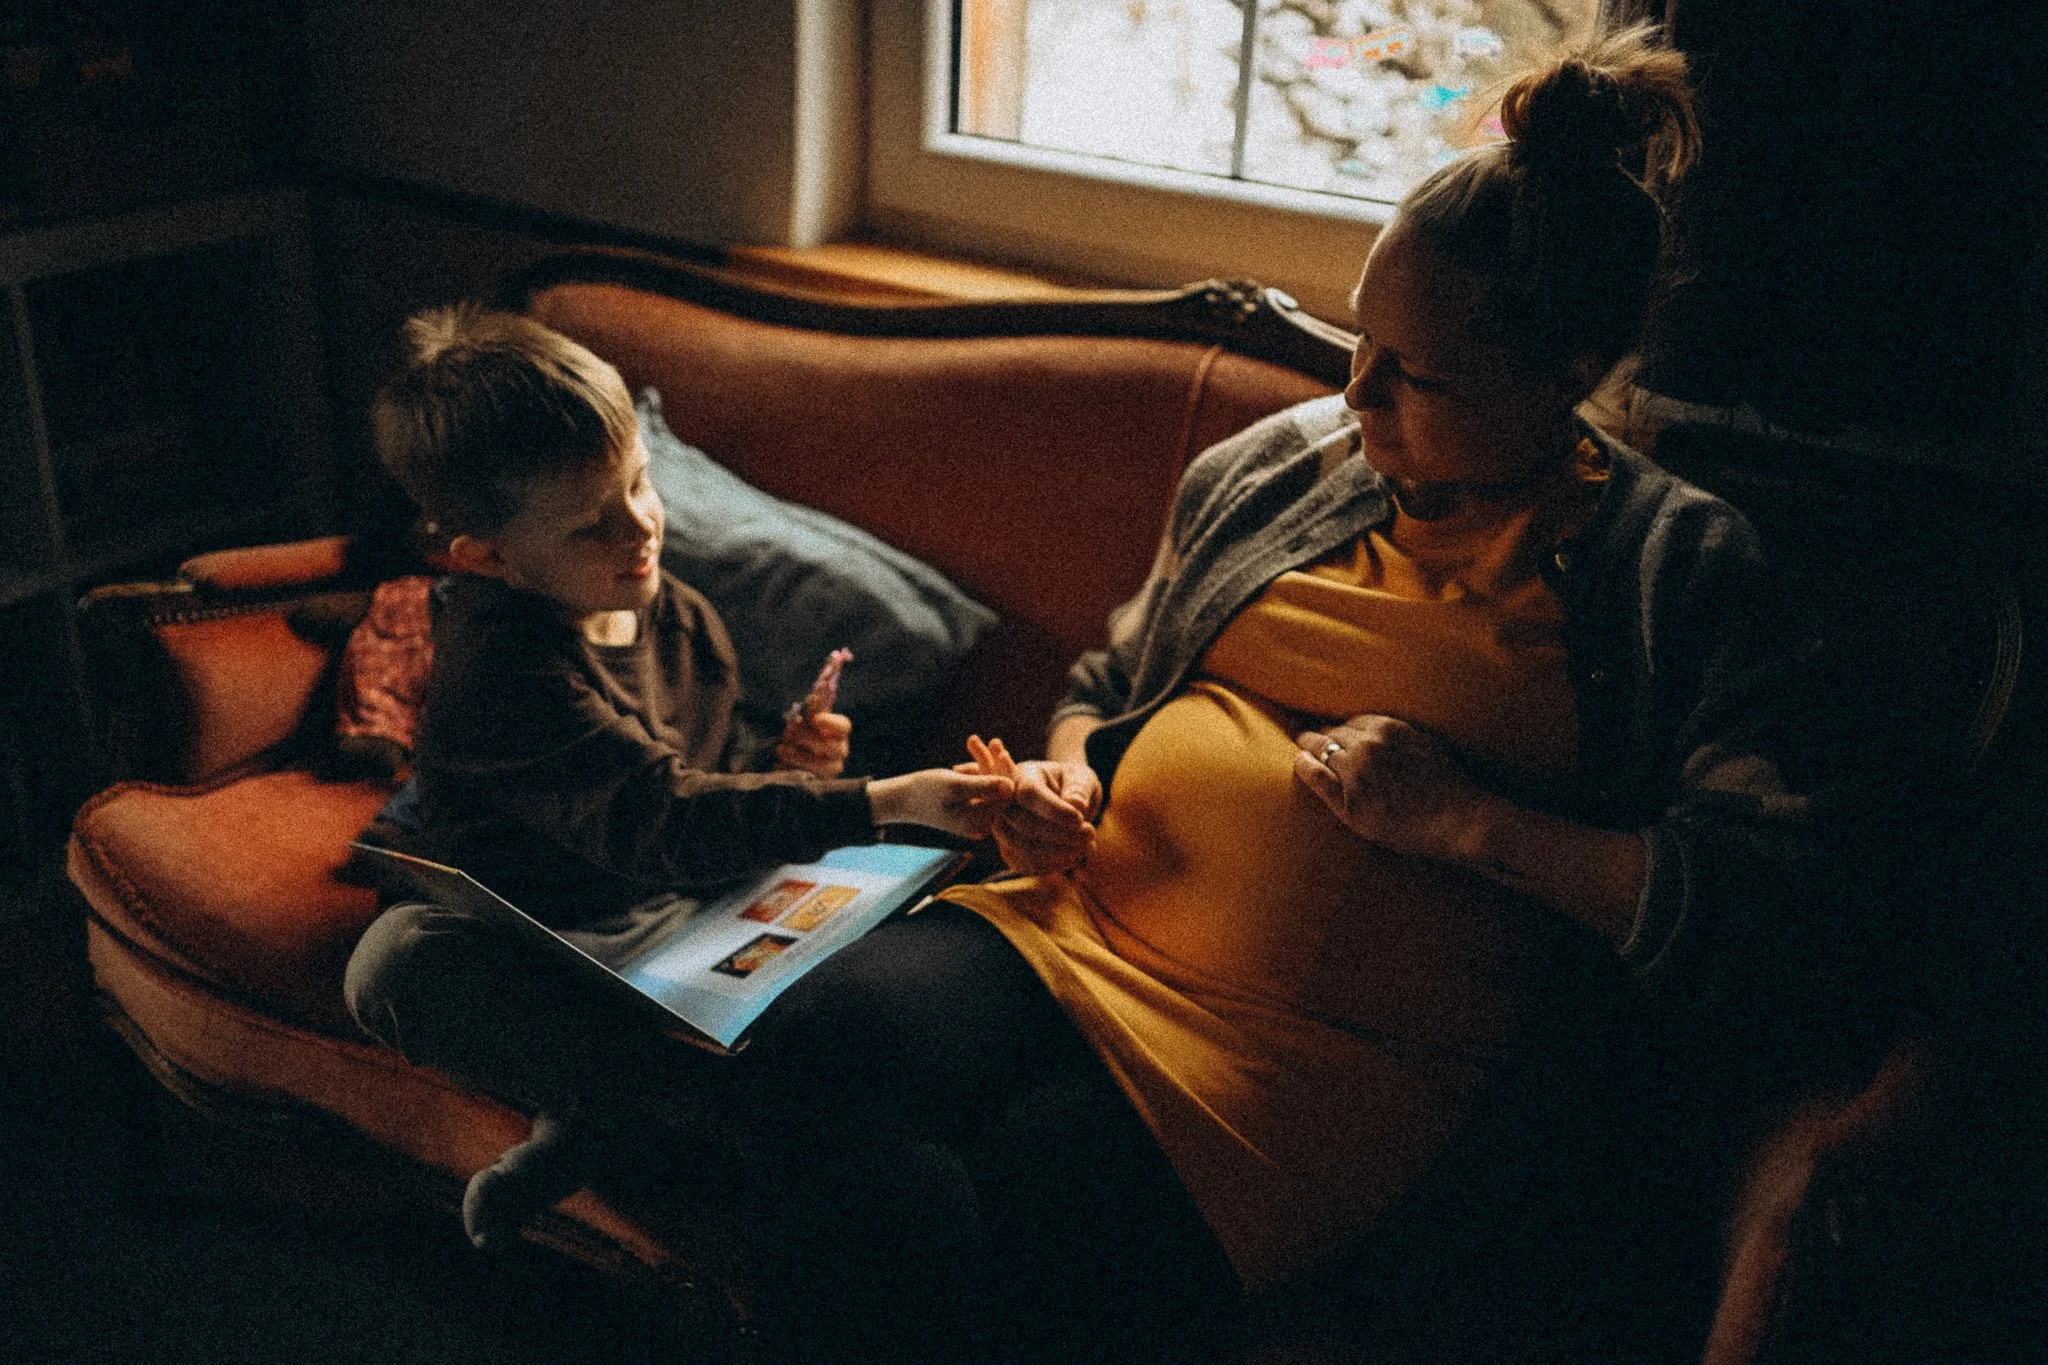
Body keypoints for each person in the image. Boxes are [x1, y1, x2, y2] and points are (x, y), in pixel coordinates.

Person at [685, 24, 1833, 1365]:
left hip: (1315, 1072)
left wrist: (1468, 824)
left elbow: (1766, 911)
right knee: (809, 1034)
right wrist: (1069, 772)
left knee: (1029, 1183)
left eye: (1419, 376)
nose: (1353, 394)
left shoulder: (1678, 571)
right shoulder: (1287, 466)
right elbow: (1112, 679)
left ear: (1568, 372)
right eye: (1361, 339)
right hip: (1080, 925)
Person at [340, 306, 1012, 1251]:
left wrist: (781, 766)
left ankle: (604, 1113)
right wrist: (879, 799)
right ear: (487, 558)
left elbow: (698, 772)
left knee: (899, 935)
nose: (641, 527)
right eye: (590, 525)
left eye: (640, 484)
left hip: (681, 905)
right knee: (392, 963)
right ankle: (674, 1104)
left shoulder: (674, 609)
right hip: (545, 931)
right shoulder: (501, 669)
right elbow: (657, 813)